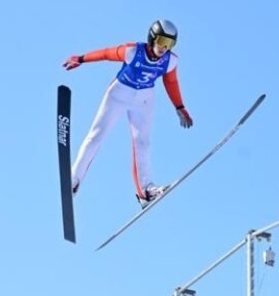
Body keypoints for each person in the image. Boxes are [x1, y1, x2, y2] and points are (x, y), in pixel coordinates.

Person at [62, 19, 194, 208]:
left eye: (170, 44)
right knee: (97, 136)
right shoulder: (133, 51)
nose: (164, 48)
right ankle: (73, 180)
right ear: (152, 38)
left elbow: (171, 82)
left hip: (145, 99)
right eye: (162, 41)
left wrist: (179, 107)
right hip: (119, 93)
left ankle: (146, 191)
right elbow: (106, 54)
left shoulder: (171, 61)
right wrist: (81, 59)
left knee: (143, 143)